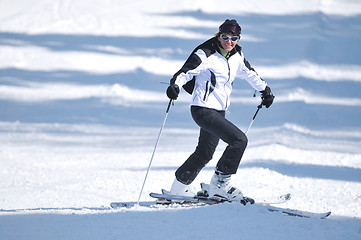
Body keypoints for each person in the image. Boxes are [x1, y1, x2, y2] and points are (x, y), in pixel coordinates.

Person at [166, 19, 274, 202]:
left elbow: (249, 73)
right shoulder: (205, 53)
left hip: (218, 111)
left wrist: (265, 90)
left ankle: (178, 189)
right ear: (219, 35)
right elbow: (185, 72)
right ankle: (220, 185)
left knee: (204, 153)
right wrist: (175, 86)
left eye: (234, 38)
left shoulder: (236, 56)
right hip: (203, 109)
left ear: (238, 39)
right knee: (239, 140)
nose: (229, 42)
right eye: (225, 37)